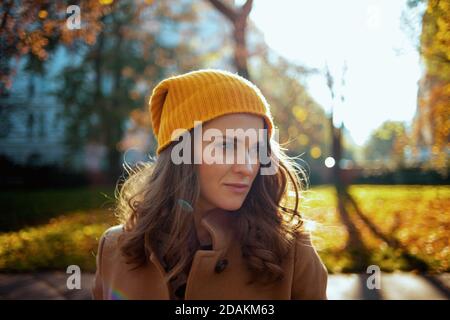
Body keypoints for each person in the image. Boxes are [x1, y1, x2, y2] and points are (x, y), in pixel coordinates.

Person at [91, 69, 328, 300]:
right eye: (226, 146)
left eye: (256, 149)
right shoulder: (115, 249)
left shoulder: (290, 250)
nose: (247, 167)